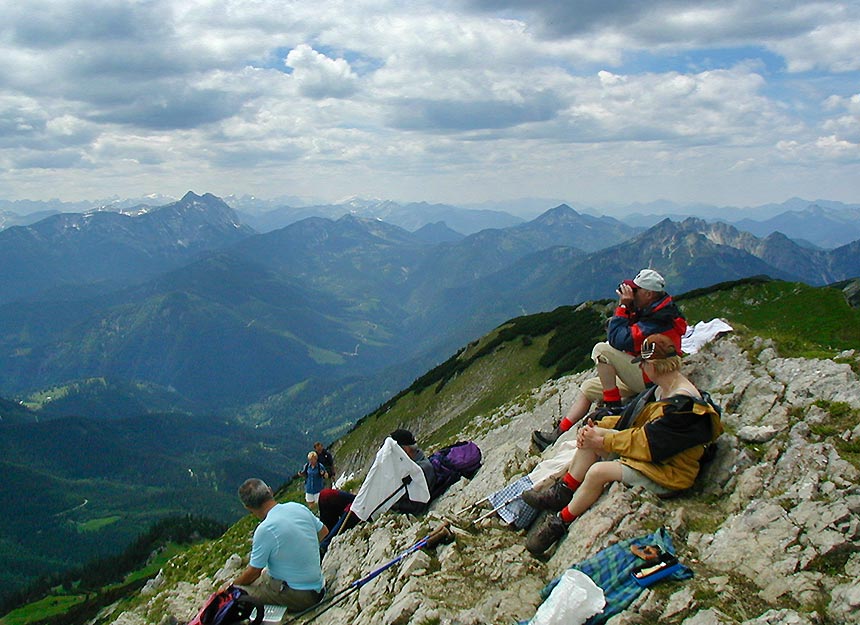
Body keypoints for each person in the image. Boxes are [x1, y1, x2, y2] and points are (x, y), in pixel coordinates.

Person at [523, 334, 723, 555]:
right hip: (655, 458)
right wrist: (597, 427)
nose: (642, 369)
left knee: (599, 471)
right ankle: (563, 491)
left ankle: (559, 523)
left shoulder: (682, 406)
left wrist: (603, 439)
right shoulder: (664, 389)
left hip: (669, 472)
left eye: (644, 364)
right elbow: (632, 422)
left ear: (653, 366)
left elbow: (647, 443)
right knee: (592, 437)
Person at [532, 269, 686, 451]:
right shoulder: (656, 310)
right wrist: (629, 307)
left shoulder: (657, 320)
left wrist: (622, 307)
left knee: (601, 349)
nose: (632, 293)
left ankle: (611, 407)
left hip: (652, 379)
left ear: (648, 293)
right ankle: (558, 434)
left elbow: (618, 339)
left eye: (636, 290)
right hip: (643, 372)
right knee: (588, 387)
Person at [229, 478, 328, 611]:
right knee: (265, 576)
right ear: (270, 491)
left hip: (301, 598)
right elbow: (324, 532)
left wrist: (231, 585)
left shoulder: (266, 529)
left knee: (238, 594)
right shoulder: (297, 507)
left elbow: (254, 573)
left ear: (248, 507)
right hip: (318, 587)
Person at [389, 428, 436, 514]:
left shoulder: (421, 470)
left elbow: (416, 506)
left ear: (405, 450)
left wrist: (393, 505)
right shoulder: (412, 463)